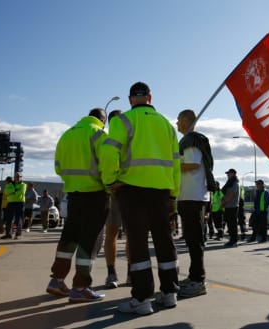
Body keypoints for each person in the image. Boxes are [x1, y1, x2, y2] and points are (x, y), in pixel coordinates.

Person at [101, 82, 180, 315]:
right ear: (150, 97)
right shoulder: (166, 124)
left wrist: (110, 181)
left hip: (132, 188)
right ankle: (169, 293)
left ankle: (142, 298)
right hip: (162, 190)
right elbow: (176, 162)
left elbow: (108, 152)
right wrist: (174, 193)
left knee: (137, 242)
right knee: (164, 240)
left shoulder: (122, 121)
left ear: (129, 100)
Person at [45, 107, 109, 303]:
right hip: (95, 194)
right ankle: (80, 286)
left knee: (69, 237)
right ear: (102, 120)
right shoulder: (99, 134)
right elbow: (107, 164)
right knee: (90, 241)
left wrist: (72, 180)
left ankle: (56, 280)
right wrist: (109, 186)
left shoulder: (67, 134)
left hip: (73, 193)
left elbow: (58, 166)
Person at [176, 108, 210, 298]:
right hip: (189, 196)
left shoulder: (191, 141)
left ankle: (198, 281)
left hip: (193, 196)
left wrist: (170, 164)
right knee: (191, 240)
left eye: (179, 120)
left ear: (187, 121)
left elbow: (193, 164)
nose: (176, 123)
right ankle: (194, 276)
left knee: (195, 241)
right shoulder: (189, 140)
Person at [102, 109, 126, 290]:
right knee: (115, 233)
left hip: (117, 191)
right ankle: (113, 273)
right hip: (119, 192)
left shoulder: (106, 140)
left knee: (113, 234)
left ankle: (114, 274)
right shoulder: (125, 139)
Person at [1, 173, 26, 240]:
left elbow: (20, 193)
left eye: (19, 176)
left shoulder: (23, 185)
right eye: (16, 176)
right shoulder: (9, 184)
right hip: (10, 203)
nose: (18, 178)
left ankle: (17, 234)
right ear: (14, 177)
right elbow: (6, 192)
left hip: (19, 203)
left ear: (21, 177)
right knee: (9, 219)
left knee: (18, 219)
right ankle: (8, 234)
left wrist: (12, 192)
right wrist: (15, 190)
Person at [221, 169, 240, 247]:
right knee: (230, 224)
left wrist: (223, 203)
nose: (227, 175)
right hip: (229, 206)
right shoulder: (230, 183)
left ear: (233, 174)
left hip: (232, 206)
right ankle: (231, 240)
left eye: (228, 173)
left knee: (232, 225)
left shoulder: (234, 183)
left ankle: (234, 241)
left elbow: (231, 195)